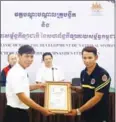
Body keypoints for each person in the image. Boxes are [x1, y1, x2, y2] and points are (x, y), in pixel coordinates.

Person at [3, 45, 54, 122]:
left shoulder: (21, 70)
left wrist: (39, 85)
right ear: (19, 56)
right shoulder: (16, 72)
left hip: (20, 112)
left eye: (31, 57)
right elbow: (22, 96)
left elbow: (24, 87)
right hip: (15, 114)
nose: (29, 59)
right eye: (26, 56)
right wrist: (42, 109)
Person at [65, 46, 111, 122]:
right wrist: (72, 88)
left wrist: (78, 111)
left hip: (99, 114)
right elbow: (84, 91)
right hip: (86, 113)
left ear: (96, 57)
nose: (87, 60)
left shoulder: (102, 74)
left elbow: (97, 97)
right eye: (84, 58)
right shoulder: (83, 73)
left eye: (90, 58)